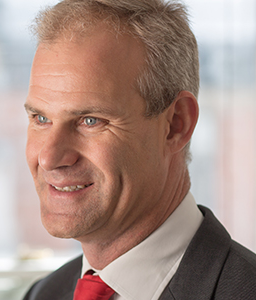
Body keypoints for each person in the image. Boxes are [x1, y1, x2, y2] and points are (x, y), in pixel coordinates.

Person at [23, 0, 256, 299]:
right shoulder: (44, 293)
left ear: (176, 124)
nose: (49, 157)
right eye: (41, 118)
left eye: (90, 120)